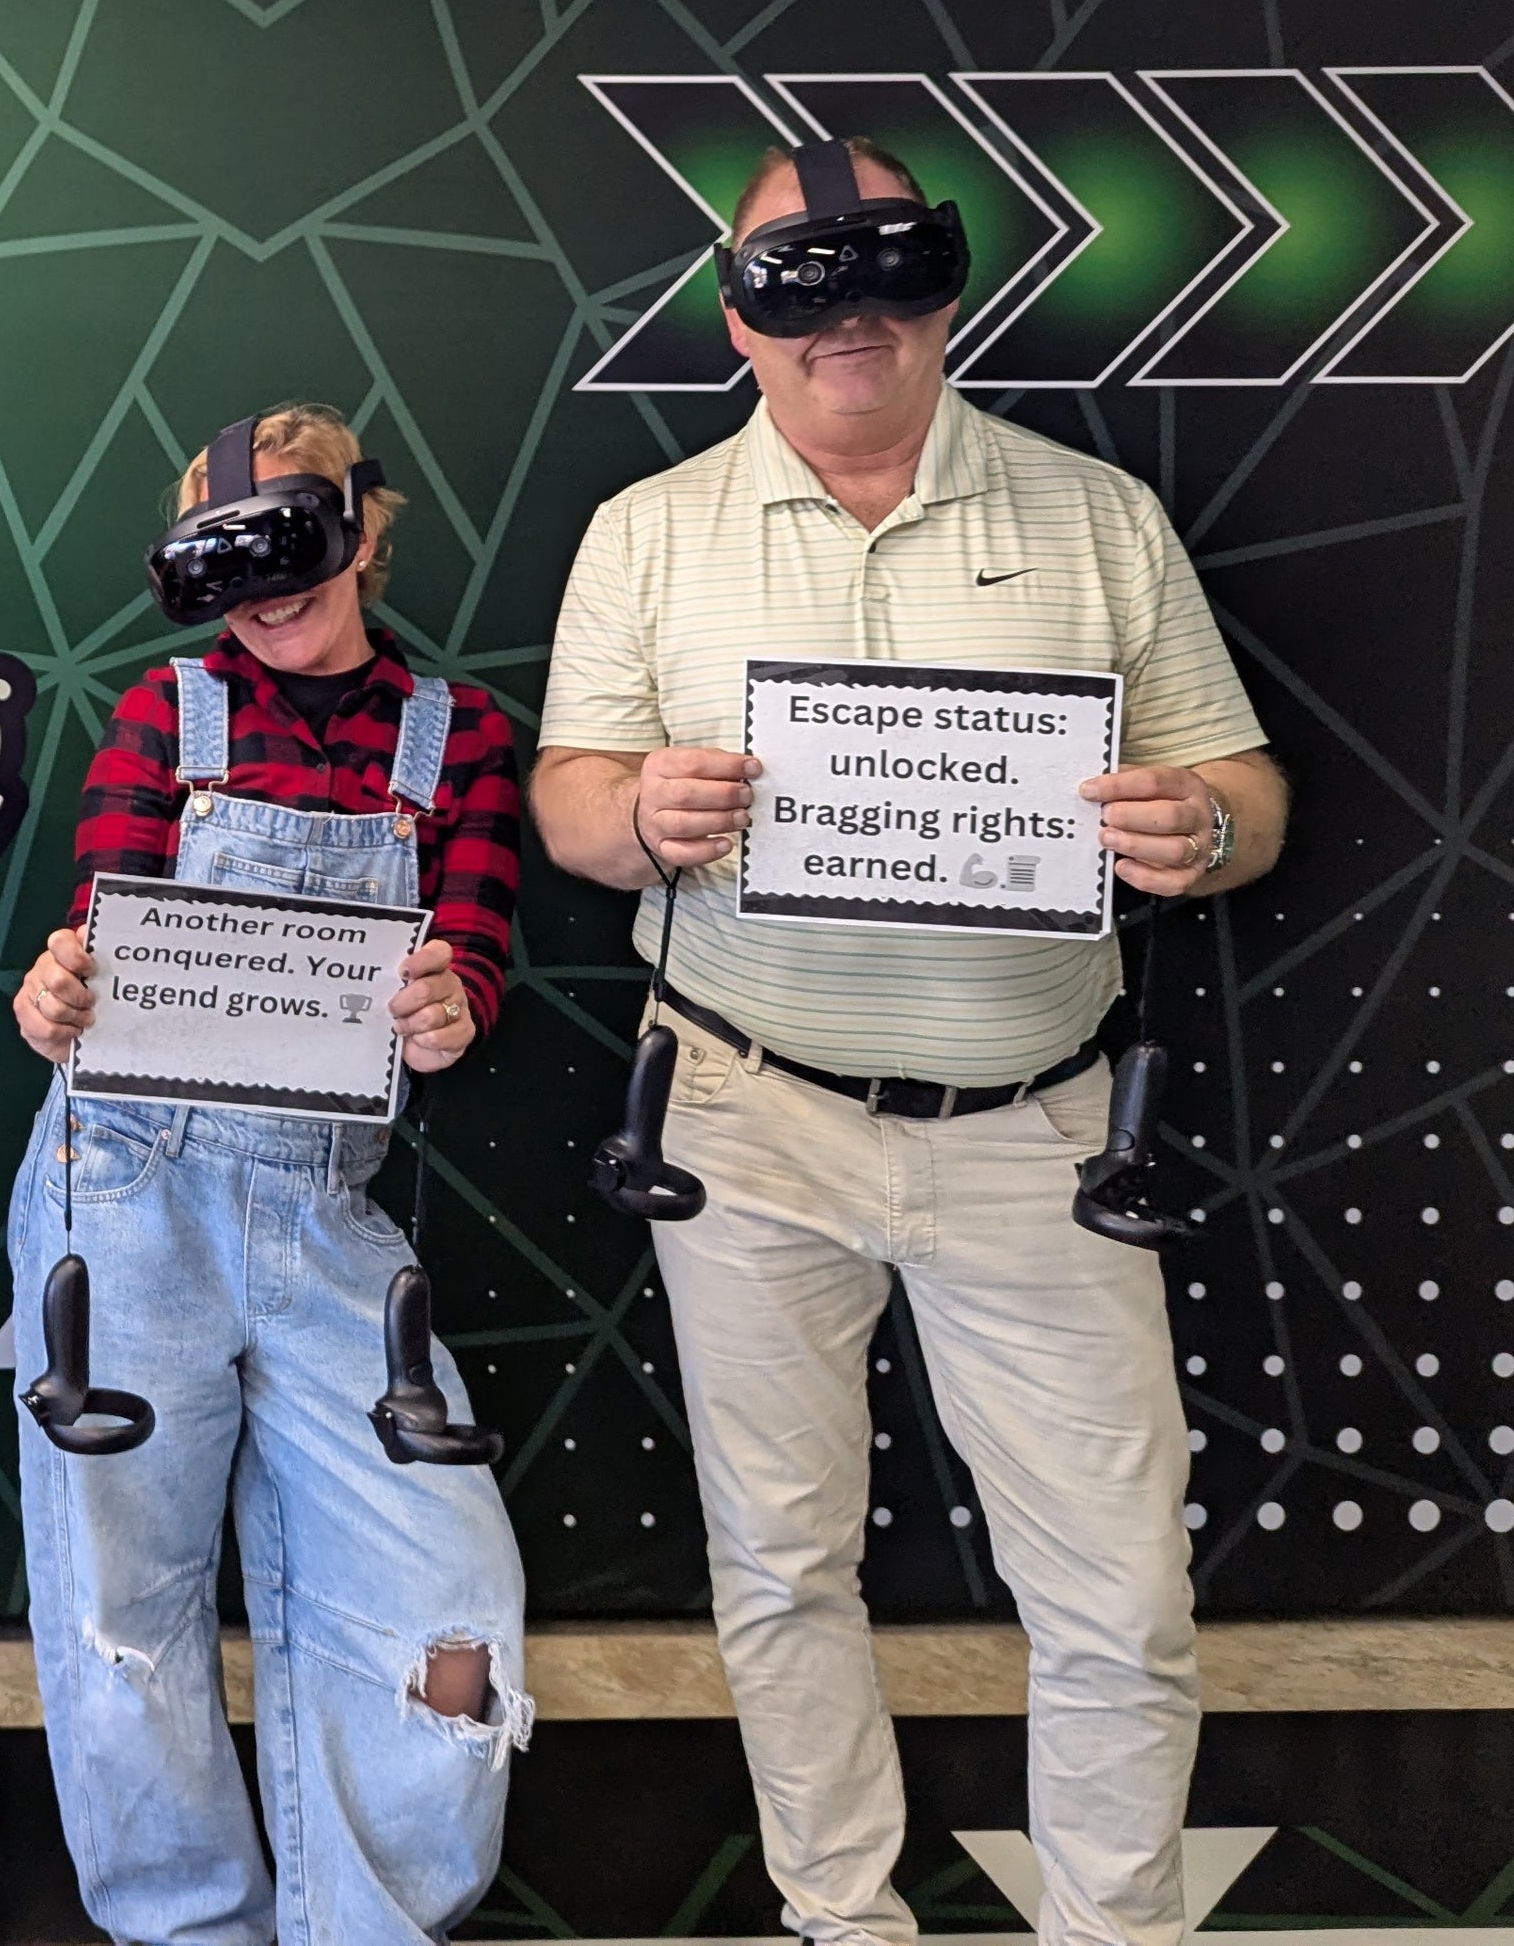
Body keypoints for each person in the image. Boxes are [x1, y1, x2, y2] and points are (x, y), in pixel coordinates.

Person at [530, 138, 1287, 1946]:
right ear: (736, 322)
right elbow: (568, 799)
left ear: (945, 295)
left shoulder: (1096, 517)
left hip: (1039, 1128)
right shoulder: (647, 533)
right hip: (747, 1114)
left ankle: (1114, 1930)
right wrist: (638, 817)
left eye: (886, 270)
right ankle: (841, 1919)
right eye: (795, 284)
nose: (844, 317)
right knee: (782, 1566)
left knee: (1118, 1592)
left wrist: (1203, 825)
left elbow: (1249, 793)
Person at [10, 403, 535, 1946]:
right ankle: (184, 1927)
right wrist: (59, 995)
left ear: (364, 532)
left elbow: (475, 955)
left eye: (292, 545)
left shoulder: (461, 737)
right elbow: (103, 936)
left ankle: (373, 1922)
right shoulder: (160, 712)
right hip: (129, 1184)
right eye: (218, 565)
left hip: (325, 1210)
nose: (263, 593)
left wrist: (452, 1008)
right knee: (119, 1599)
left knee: (448, 1591)